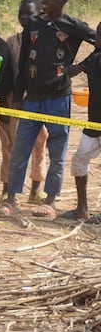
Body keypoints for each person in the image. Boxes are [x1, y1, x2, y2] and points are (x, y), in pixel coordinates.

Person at [3, 0, 97, 218]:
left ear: (63, 0)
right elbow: (24, 60)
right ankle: (11, 199)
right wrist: (18, 93)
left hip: (58, 97)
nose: (44, 1)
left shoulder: (73, 25)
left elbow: (99, 42)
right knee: (20, 150)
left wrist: (83, 65)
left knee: (57, 151)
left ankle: (51, 201)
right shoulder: (34, 23)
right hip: (32, 98)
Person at [0, 0, 47, 203]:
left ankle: (36, 190)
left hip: (38, 100)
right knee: (10, 145)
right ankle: (7, 189)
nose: (25, 17)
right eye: (22, 13)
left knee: (40, 142)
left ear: (41, 14)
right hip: (13, 101)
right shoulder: (12, 42)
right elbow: (6, 75)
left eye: (31, 14)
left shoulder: (47, 41)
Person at [62, 20, 101, 220]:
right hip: (93, 122)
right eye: (98, 36)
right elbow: (74, 70)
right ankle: (82, 209)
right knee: (79, 160)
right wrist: (63, 66)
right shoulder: (94, 58)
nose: (98, 40)